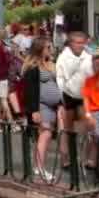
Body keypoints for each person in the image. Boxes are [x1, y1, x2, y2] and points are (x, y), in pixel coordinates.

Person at [30, 39, 62, 181]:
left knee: (45, 136)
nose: (51, 49)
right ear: (40, 49)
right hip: (40, 105)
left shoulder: (51, 64)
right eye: (48, 47)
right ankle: (40, 167)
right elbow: (30, 90)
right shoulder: (33, 66)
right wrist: (34, 110)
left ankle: (38, 166)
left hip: (52, 107)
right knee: (46, 134)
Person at [56, 32, 94, 137]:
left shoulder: (89, 57)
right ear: (71, 43)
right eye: (77, 43)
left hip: (83, 95)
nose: (80, 45)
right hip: (67, 94)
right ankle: (70, 149)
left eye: (82, 43)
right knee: (68, 127)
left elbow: (92, 77)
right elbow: (60, 78)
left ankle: (83, 146)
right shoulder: (63, 57)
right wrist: (61, 98)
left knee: (86, 123)